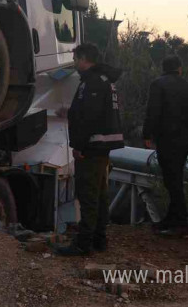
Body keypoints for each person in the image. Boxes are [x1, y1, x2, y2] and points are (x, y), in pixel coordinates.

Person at [56, 43, 125, 256]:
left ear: (84, 58)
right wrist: (70, 111)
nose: (75, 63)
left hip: (92, 147)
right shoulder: (103, 80)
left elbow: (89, 118)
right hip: (101, 146)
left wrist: (79, 146)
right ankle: (99, 239)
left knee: (88, 195)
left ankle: (83, 243)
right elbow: (89, 111)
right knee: (100, 194)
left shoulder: (92, 82)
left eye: (76, 59)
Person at [142, 56, 188, 237]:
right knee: (175, 179)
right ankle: (172, 219)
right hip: (184, 140)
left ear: (163, 68)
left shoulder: (158, 84)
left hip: (167, 139)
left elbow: (153, 111)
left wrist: (147, 134)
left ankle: (181, 224)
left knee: (172, 182)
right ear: (179, 69)